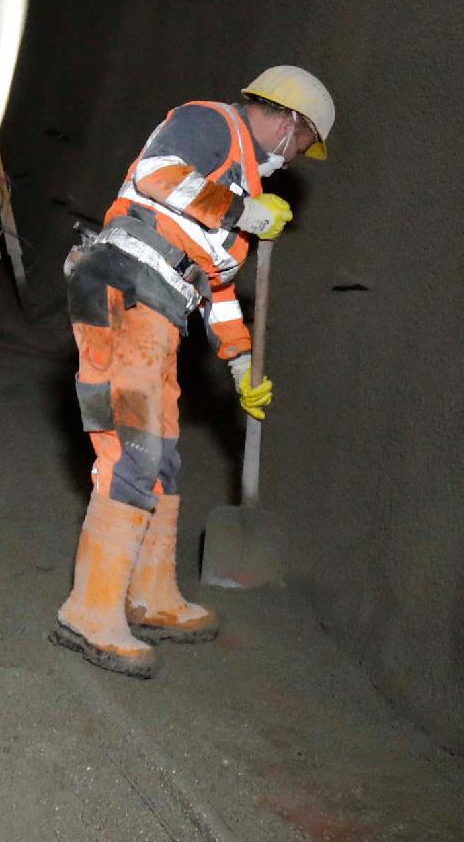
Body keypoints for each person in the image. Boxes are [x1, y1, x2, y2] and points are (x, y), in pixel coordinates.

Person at [50, 64, 336, 678]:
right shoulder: (211, 123)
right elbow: (156, 176)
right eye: (307, 141)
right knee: (132, 450)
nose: (302, 156)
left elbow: (220, 293)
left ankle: (151, 595)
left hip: (162, 309)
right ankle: (90, 610)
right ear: (290, 121)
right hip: (122, 288)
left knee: (164, 456)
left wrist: (240, 370)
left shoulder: (245, 194)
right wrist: (239, 211)